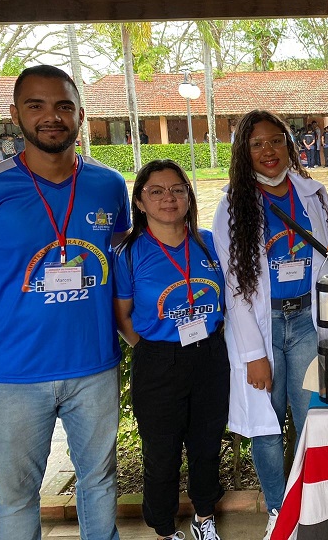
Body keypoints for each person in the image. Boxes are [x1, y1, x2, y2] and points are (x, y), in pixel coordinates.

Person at [0, 65, 130, 539]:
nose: (51, 116)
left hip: (94, 367)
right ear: (15, 114)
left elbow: (124, 269)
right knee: (17, 495)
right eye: (35, 105)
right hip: (13, 373)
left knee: (99, 481)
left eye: (63, 106)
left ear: (80, 115)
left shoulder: (109, 184)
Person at [212, 109, 328, 540]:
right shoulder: (232, 205)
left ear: (290, 145)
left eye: (275, 141)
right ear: (243, 152)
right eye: (257, 144)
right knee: (266, 426)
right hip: (262, 324)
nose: (268, 151)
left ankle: (310, 504)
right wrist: (253, 354)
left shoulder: (315, 195)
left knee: (312, 419)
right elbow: (234, 286)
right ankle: (277, 509)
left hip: (307, 322)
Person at [114, 159, 229, 540]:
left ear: (189, 197)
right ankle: (164, 529)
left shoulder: (209, 242)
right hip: (159, 363)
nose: (169, 198)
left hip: (210, 357)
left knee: (206, 445)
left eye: (178, 189)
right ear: (140, 201)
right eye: (157, 191)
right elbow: (123, 316)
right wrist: (157, 350)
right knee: (161, 454)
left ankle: (204, 516)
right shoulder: (130, 253)